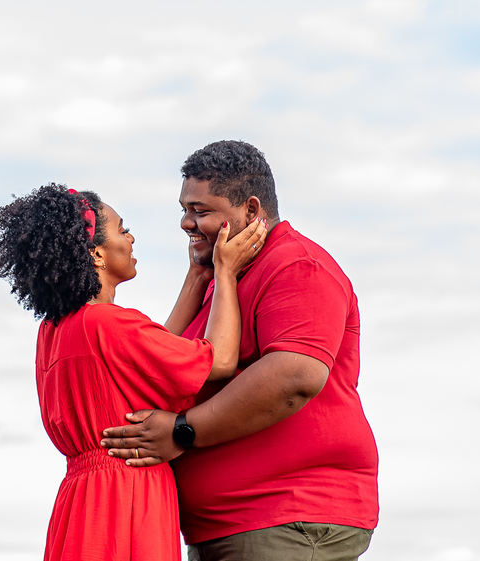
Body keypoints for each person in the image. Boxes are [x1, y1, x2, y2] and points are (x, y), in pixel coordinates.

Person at [99, 141, 379, 560]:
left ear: (250, 211)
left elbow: (294, 377)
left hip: (285, 516)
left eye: (201, 210)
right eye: (184, 209)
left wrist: (182, 431)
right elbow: (168, 366)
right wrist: (200, 277)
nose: (185, 223)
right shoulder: (223, 280)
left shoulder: (296, 265)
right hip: (230, 526)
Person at [0, 183, 267, 561]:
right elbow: (219, 361)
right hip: (127, 492)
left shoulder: (55, 330)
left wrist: (199, 277)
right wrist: (225, 271)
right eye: (122, 229)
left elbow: (160, 350)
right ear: (96, 253)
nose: (131, 238)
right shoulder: (109, 324)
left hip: (81, 501)